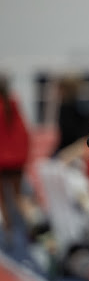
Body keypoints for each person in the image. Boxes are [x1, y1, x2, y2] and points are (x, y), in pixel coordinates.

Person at [0, 74, 35, 249]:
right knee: (18, 196)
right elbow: (24, 133)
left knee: (4, 200)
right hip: (16, 160)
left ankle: (9, 233)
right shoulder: (12, 103)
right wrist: (23, 156)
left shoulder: (10, 104)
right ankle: (32, 229)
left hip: (2, 160)